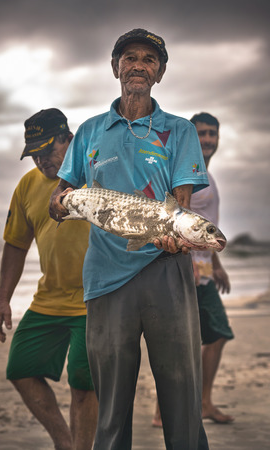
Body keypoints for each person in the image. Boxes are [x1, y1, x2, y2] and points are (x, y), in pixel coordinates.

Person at [50, 29, 210, 450]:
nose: (139, 64)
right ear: (115, 67)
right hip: (104, 279)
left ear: (160, 73)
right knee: (112, 405)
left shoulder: (178, 131)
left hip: (166, 272)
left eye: (149, 59)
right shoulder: (89, 132)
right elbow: (60, 198)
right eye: (130, 57)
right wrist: (64, 203)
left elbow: (179, 204)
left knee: (182, 395)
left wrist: (175, 234)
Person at [0, 108, 98, 450]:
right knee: (20, 368)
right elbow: (15, 245)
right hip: (49, 298)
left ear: (69, 139)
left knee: (83, 383)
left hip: (94, 299)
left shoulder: (94, 175)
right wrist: (2, 300)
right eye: (34, 154)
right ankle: (64, 443)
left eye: (47, 151)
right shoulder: (28, 185)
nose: (40, 161)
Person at [152, 112, 234, 428]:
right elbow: (173, 221)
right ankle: (170, 410)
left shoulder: (207, 177)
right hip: (187, 270)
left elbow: (205, 229)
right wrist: (186, 262)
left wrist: (217, 265)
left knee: (210, 336)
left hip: (204, 271)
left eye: (213, 134)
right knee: (183, 341)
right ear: (190, 137)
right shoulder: (182, 174)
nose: (208, 140)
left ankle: (202, 402)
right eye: (201, 134)